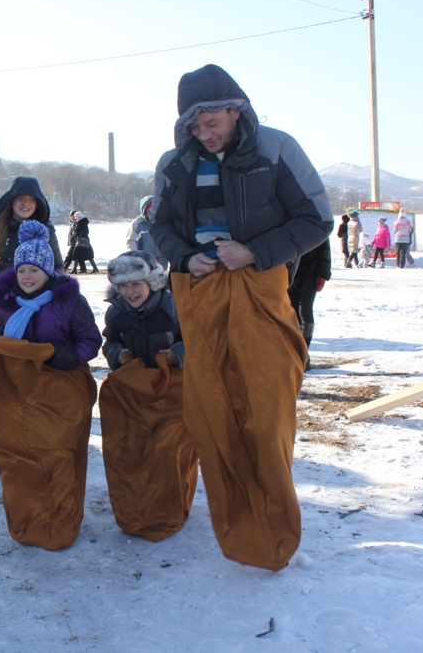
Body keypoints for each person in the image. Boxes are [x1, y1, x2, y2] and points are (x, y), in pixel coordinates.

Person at [149, 63, 334, 571]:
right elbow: (161, 223)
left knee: (265, 407)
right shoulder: (174, 163)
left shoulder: (276, 149)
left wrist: (252, 253)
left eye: (213, 123)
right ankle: (237, 525)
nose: (204, 134)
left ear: (237, 110)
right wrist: (186, 258)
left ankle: (272, 527)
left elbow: (316, 219)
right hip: (199, 288)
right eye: (195, 126)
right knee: (211, 410)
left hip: (258, 286)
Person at [0, 221, 102, 550]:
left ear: (48, 270)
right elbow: (0, 338)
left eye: (34, 270)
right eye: (22, 269)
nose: (27, 276)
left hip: (61, 392)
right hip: (18, 395)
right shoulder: (9, 302)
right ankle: (30, 521)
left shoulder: (69, 302)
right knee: (20, 461)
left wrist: (59, 356)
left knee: (56, 457)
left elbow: (91, 341)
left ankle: (60, 522)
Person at [98, 251, 197, 542]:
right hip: (137, 392)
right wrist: (118, 356)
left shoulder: (173, 307)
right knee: (133, 450)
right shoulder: (116, 312)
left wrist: (177, 354)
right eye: (123, 286)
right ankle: (139, 505)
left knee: (168, 449)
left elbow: (196, 339)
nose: (130, 292)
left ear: (152, 282)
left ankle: (169, 507)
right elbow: (110, 342)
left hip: (174, 392)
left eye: (136, 284)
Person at [0, 176, 64, 333]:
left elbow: (58, 266)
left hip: (37, 304)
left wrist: (52, 295)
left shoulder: (46, 229)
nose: (25, 203)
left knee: (32, 354)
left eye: (31, 199)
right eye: (20, 198)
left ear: (38, 203)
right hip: (2, 301)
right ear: (11, 200)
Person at [288, 238, 332, 371]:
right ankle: (294, 351)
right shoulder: (288, 222)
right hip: (290, 274)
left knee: (304, 311)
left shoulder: (315, 223)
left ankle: (303, 352)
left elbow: (325, 251)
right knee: (291, 313)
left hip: (309, 275)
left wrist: (322, 274)